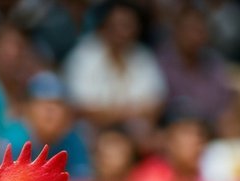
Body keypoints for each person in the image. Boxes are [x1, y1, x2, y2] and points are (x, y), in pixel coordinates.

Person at [61, 1, 164, 135]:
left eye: (128, 26)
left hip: (133, 133)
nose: (122, 32)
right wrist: (126, 114)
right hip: (93, 131)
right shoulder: (84, 54)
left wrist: (115, 114)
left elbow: (156, 104)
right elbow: (80, 107)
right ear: (104, 26)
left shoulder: (143, 56)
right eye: (116, 25)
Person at [1, 71, 91, 181]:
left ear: (67, 112)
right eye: (42, 102)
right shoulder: (14, 141)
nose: (49, 110)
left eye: (57, 103)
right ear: (27, 108)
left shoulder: (73, 141)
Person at [156, 6, 235, 126]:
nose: (194, 37)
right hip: (175, 130)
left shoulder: (214, 61)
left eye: (200, 31)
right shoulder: (162, 62)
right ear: (176, 31)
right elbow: (159, 108)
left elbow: (227, 101)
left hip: (213, 129)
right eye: (190, 30)